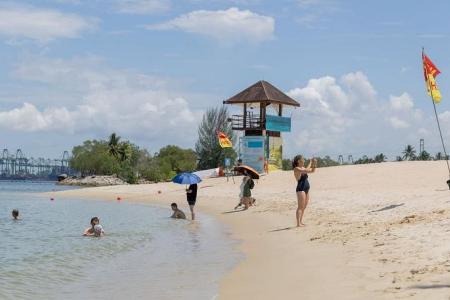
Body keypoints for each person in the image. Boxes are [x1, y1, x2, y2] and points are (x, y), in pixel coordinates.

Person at [293, 156, 317, 227]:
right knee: (300, 206)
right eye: (302, 159)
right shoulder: (296, 168)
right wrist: (310, 162)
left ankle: (300, 221)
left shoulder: (303, 168)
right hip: (301, 189)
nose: (304, 160)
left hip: (306, 188)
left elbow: (312, 171)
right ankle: (298, 223)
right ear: (298, 161)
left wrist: (314, 163)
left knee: (304, 206)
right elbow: (306, 170)